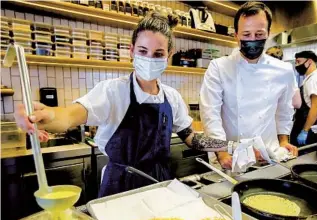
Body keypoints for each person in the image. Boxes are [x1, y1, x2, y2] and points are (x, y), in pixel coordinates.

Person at [15, 13, 237, 198]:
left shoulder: (172, 97)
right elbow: (69, 115)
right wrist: (48, 115)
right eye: (143, 51)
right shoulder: (112, 91)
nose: (150, 58)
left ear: (168, 56)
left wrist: (230, 146)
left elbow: (193, 138)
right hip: (120, 186)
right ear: (131, 51)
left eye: (158, 54)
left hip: (160, 184)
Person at [199, 1, 298, 169]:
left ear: (269, 33)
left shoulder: (284, 70)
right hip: (230, 157)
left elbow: (285, 110)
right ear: (236, 35)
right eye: (246, 34)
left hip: (270, 156)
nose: (252, 40)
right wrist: (222, 153)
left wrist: (284, 141)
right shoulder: (219, 67)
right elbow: (210, 114)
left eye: (259, 34)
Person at [290, 50, 317, 146]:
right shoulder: (310, 78)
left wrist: (305, 130)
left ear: (309, 62)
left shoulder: (315, 79)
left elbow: (315, 107)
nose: (297, 66)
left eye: (299, 62)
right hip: (305, 122)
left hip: (309, 126)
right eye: (296, 63)